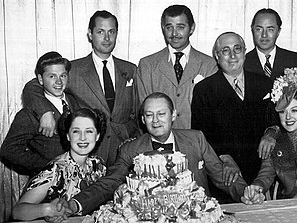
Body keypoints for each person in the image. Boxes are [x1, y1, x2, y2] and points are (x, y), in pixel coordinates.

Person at [58, 92, 247, 216]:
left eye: (161, 114)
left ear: (173, 115)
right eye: (149, 115)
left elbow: (222, 176)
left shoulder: (196, 139)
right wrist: (75, 204)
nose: (155, 121)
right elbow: (108, 184)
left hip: (195, 219)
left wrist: (244, 192)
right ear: (142, 119)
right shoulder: (130, 149)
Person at [22, 10, 141, 167]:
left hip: (124, 154)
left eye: (111, 32)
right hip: (88, 155)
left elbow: (138, 111)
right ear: (90, 35)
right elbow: (33, 86)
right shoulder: (73, 69)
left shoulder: (130, 69)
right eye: (100, 32)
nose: (107, 38)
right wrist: (44, 112)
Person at [191, 32, 279, 202]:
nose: (232, 55)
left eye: (237, 49)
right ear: (217, 56)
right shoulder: (204, 89)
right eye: (225, 50)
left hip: (261, 169)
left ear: (245, 52)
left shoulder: (265, 83)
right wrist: (224, 157)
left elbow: (275, 118)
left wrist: (271, 132)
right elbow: (201, 133)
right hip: (226, 173)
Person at [244, 8, 297, 159]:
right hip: (254, 148)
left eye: (270, 29)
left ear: (278, 31)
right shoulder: (242, 63)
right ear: (252, 30)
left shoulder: (295, 60)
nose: (264, 35)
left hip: (292, 143)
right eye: (259, 29)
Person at [12, 108, 107, 221]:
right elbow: (17, 212)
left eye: (89, 131)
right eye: (76, 131)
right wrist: (47, 209)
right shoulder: (55, 170)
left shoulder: (98, 165)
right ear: (68, 136)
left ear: (97, 136)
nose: (82, 137)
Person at [136, 4, 218, 129]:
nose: (174, 33)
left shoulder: (209, 65)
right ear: (163, 28)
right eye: (169, 27)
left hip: (196, 140)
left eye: (180, 27)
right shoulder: (147, 65)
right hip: (159, 141)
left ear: (191, 28)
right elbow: (144, 109)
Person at [0, 52, 79, 177]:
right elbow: (9, 151)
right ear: (41, 79)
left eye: (63, 76)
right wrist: (48, 166)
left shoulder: (75, 102)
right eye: (52, 76)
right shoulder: (29, 114)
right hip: (49, 184)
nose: (58, 81)